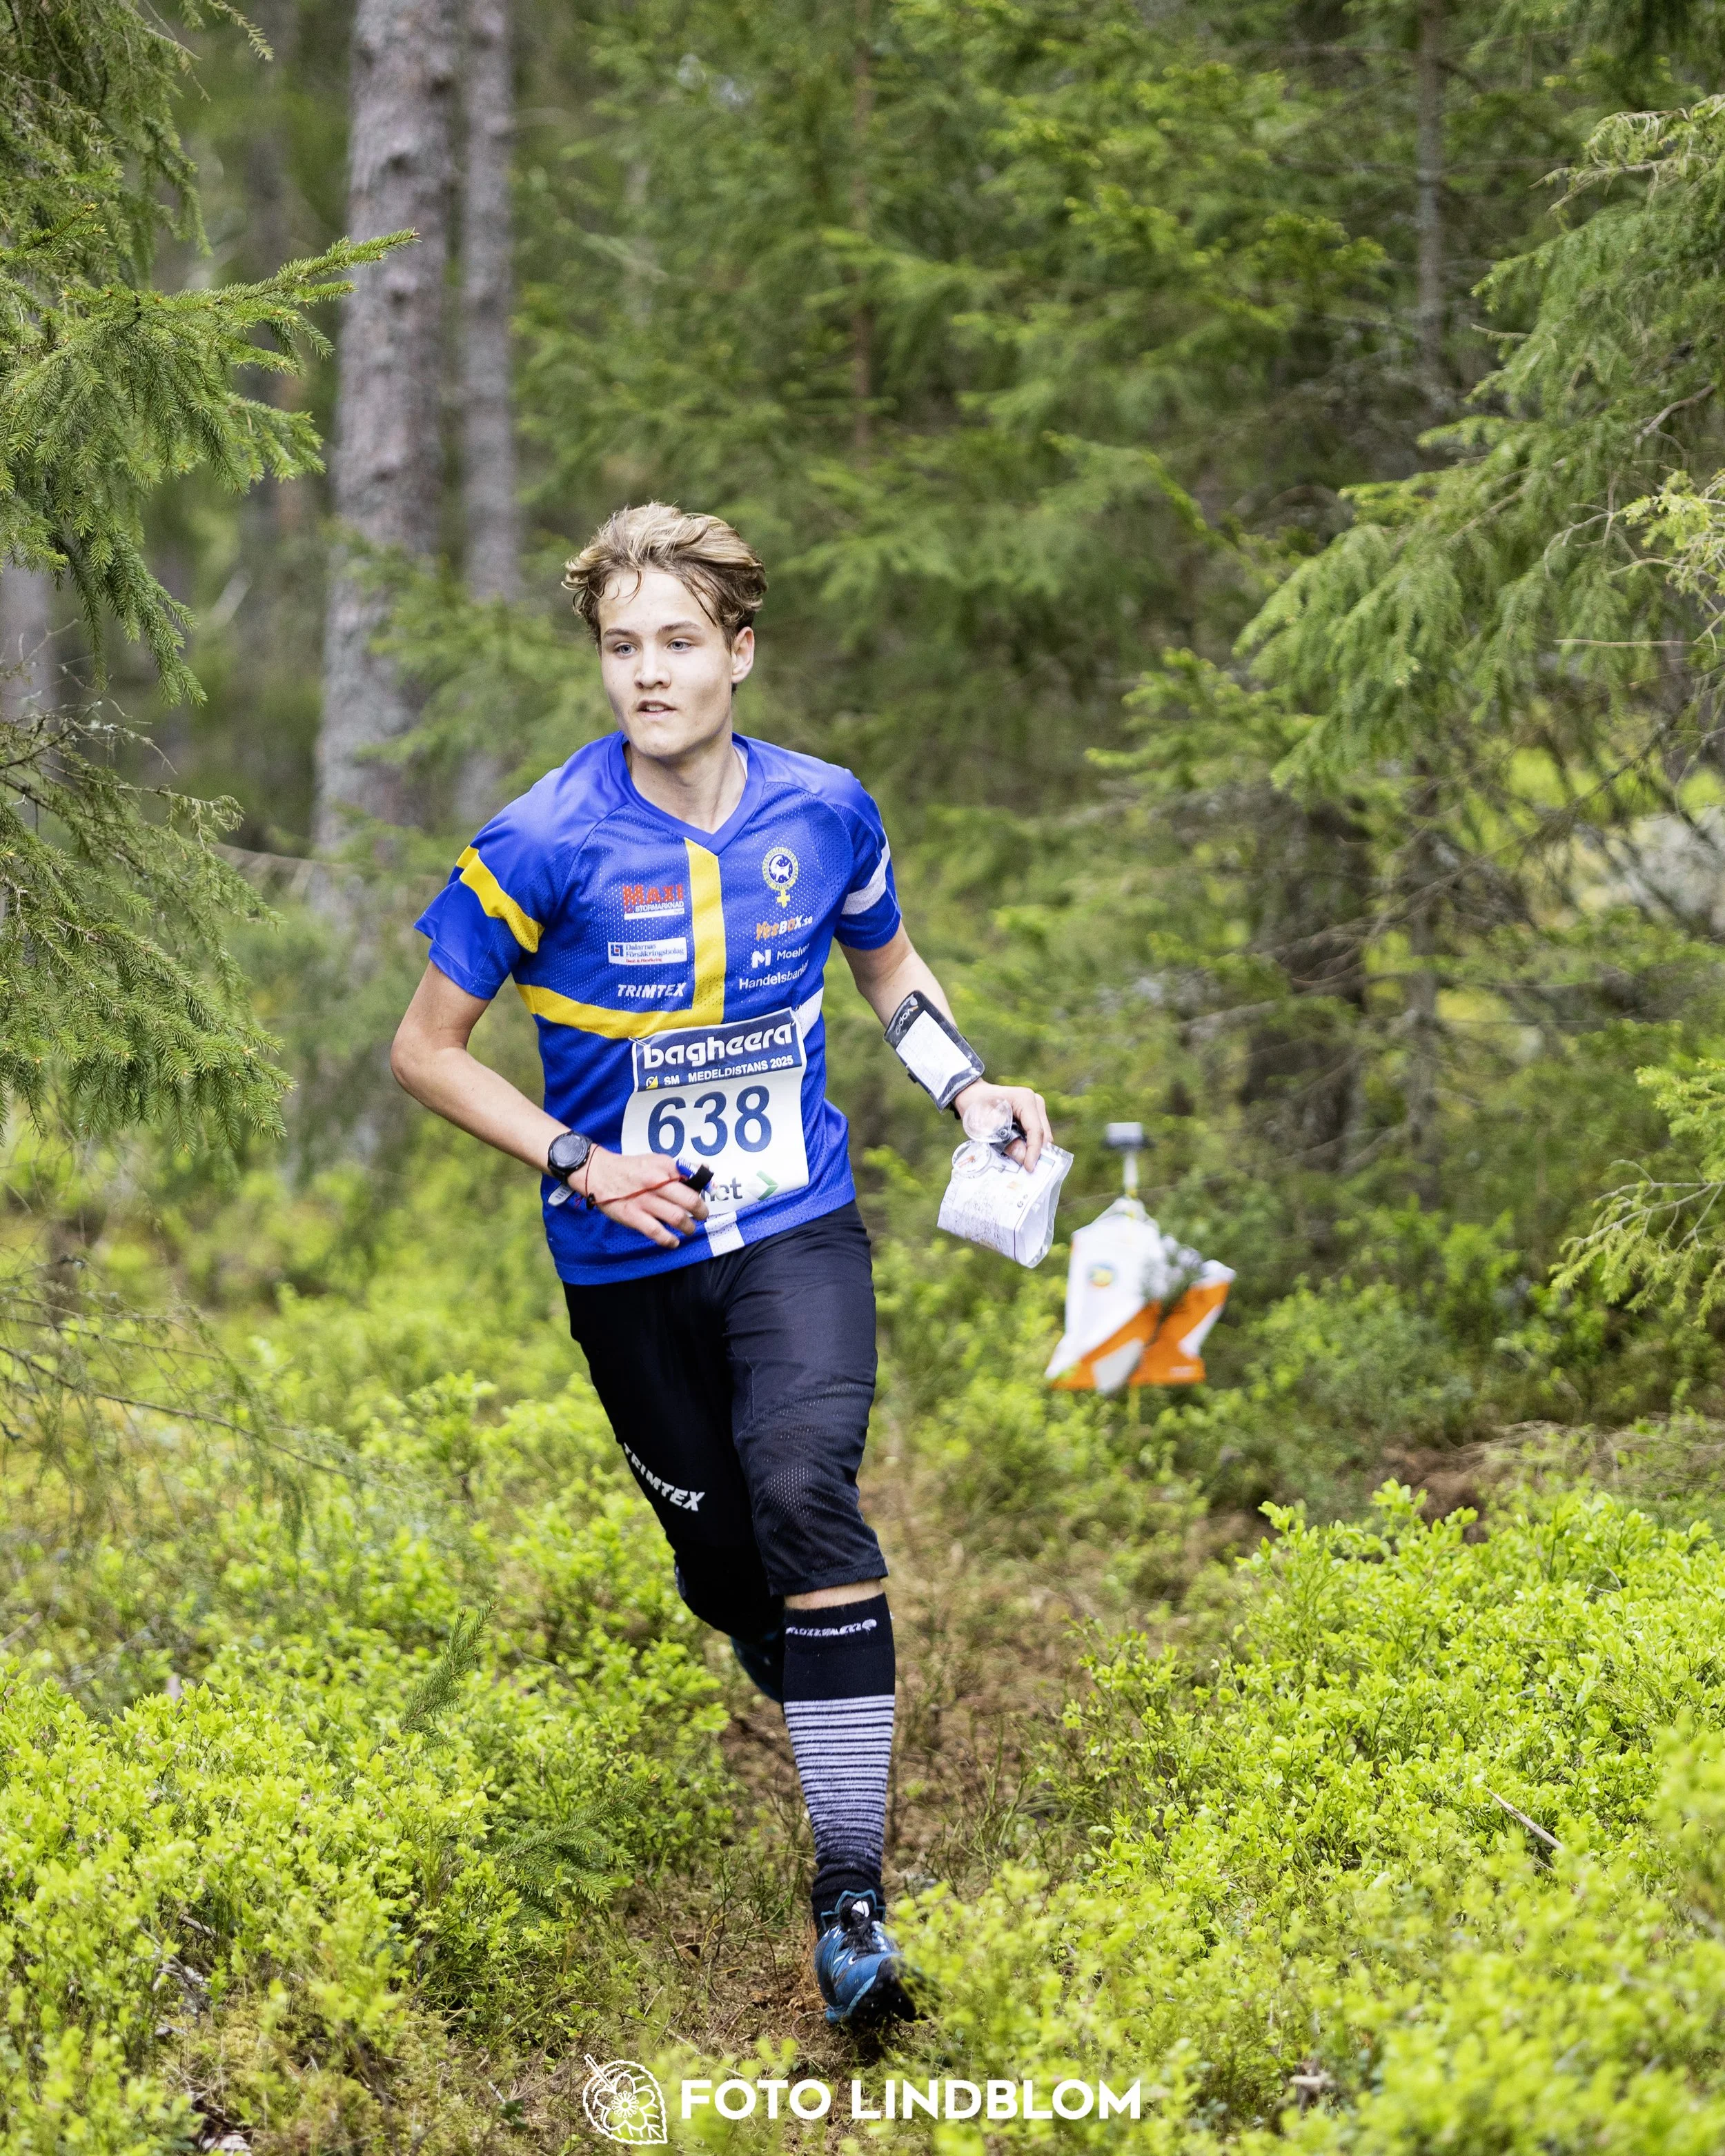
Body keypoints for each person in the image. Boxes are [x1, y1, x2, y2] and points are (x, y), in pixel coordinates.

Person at [390, 502, 1051, 2028]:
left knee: (808, 1483)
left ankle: (850, 1904)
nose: (646, 673)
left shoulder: (824, 810)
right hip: (623, 1260)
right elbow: (426, 1052)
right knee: (723, 1564)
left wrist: (968, 1085)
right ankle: (785, 1639)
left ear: (738, 650)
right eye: (622, 646)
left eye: (677, 642)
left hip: (792, 1226)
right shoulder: (539, 841)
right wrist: (582, 1158)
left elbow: (884, 962)